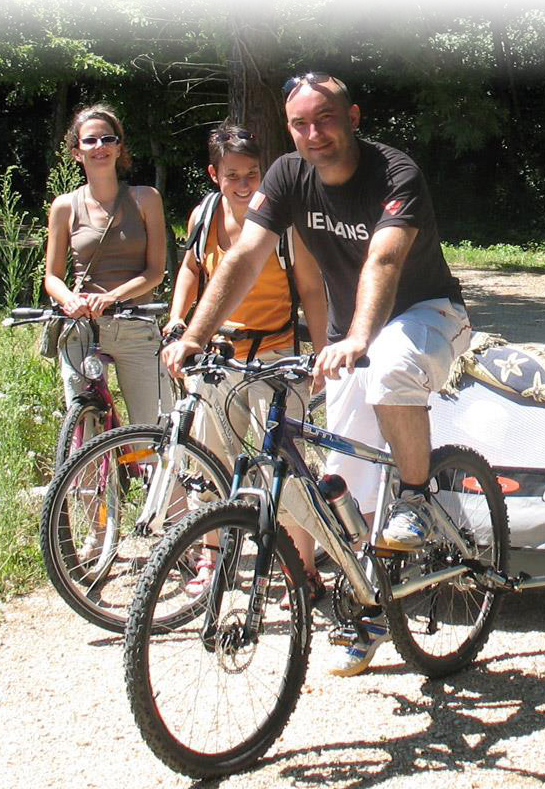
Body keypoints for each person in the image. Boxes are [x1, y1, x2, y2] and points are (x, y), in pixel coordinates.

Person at [161, 72, 471, 676]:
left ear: (352, 116)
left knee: (391, 368)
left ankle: (414, 496)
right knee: (338, 484)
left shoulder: (394, 172)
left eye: (324, 119)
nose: (312, 133)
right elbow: (246, 256)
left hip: (428, 314)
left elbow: (383, 257)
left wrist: (358, 336)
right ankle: (369, 601)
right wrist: (195, 333)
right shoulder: (285, 175)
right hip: (350, 337)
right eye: (300, 124)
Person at [164, 122, 331, 597]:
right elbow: (191, 268)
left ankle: (302, 568)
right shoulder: (204, 214)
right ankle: (213, 561)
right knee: (209, 461)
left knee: (284, 466)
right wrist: (180, 319)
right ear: (214, 174)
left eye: (252, 174)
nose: (243, 185)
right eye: (233, 175)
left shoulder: (284, 221)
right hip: (218, 358)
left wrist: (320, 357)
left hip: (274, 356)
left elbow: (311, 291)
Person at [43, 104, 169, 425]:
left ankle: (145, 468)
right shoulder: (64, 207)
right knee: (82, 432)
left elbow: (155, 272)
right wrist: (69, 299)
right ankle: (89, 471)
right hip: (83, 327)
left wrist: (113, 297)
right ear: (76, 152)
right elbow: (52, 277)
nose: (99, 146)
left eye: (107, 139)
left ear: (119, 147)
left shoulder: (146, 199)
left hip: (135, 324)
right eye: (90, 141)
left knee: (152, 430)